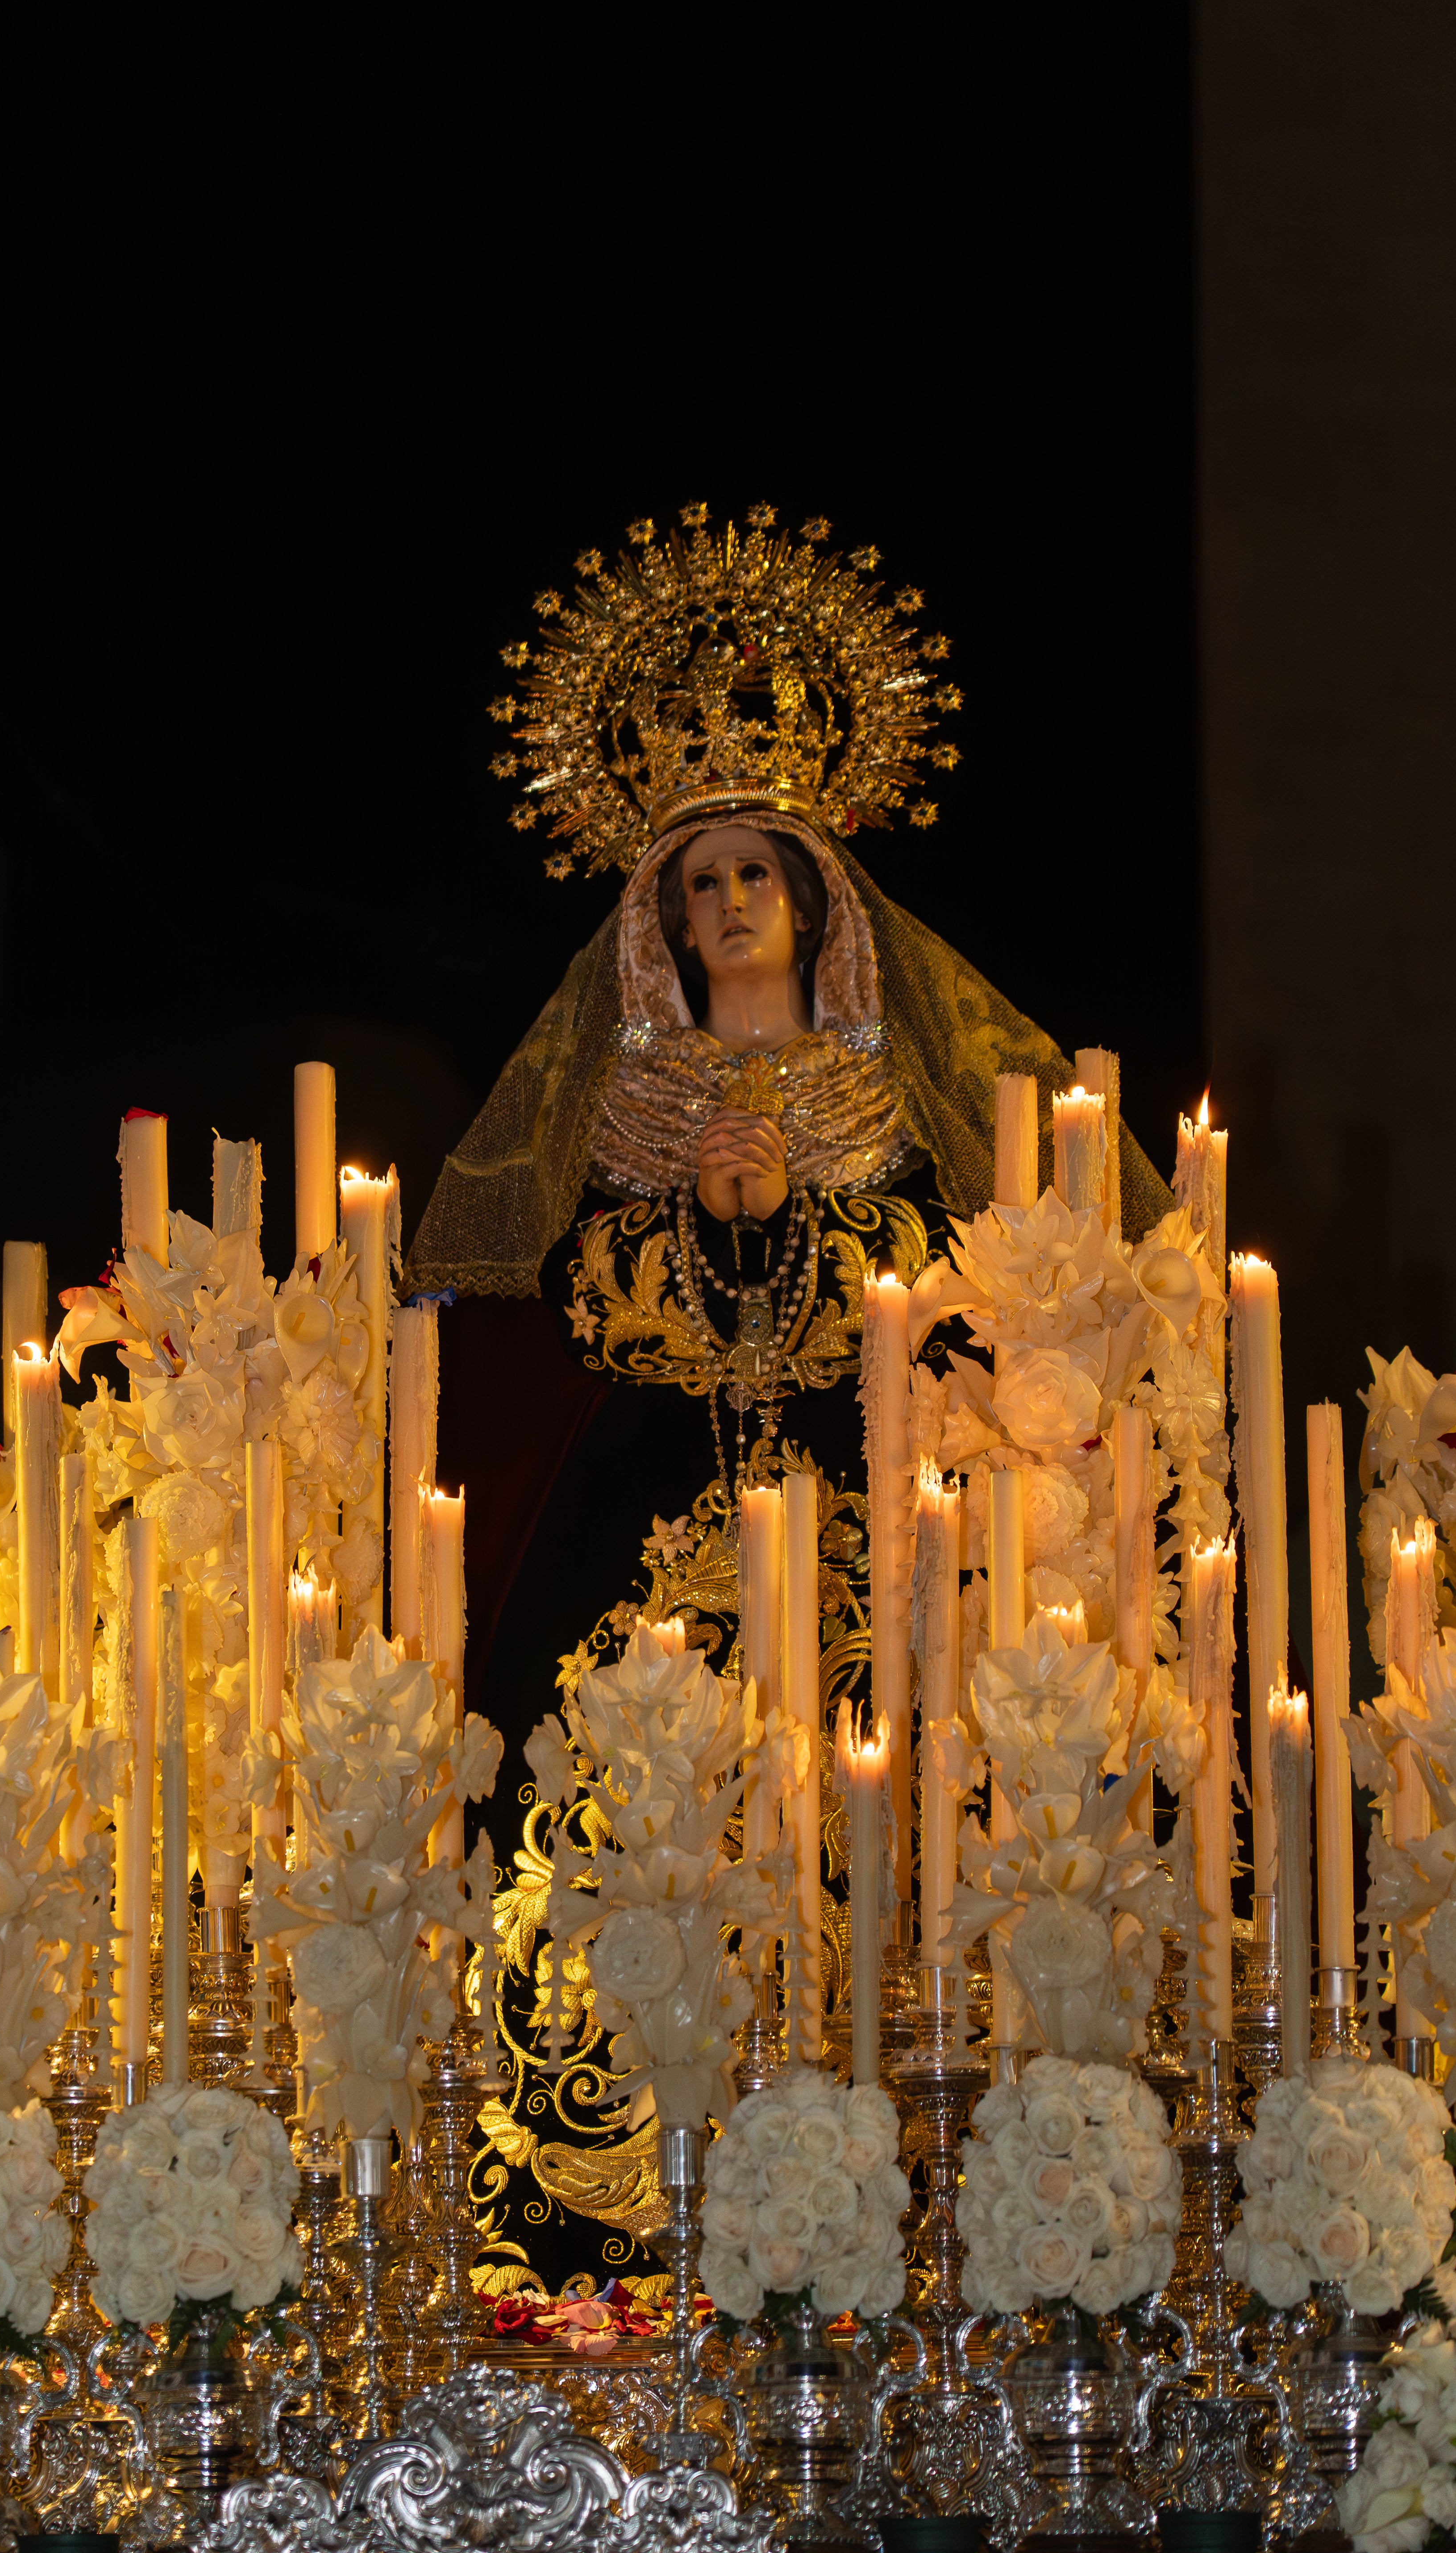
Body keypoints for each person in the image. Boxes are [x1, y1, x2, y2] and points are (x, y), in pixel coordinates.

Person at [408, 506, 1170, 2282]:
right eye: (698, 881)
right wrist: (693, 1231)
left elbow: (955, 1267)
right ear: (658, 917)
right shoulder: (618, 1101)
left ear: (816, 897)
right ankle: (600, 2188)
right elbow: (580, 1295)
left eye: (757, 873)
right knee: (594, 1784)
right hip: (658, 1485)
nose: (730, 903)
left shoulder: (882, 1082)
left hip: (860, 1474)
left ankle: (915, 2164)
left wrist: (816, 1237)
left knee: (898, 1785)